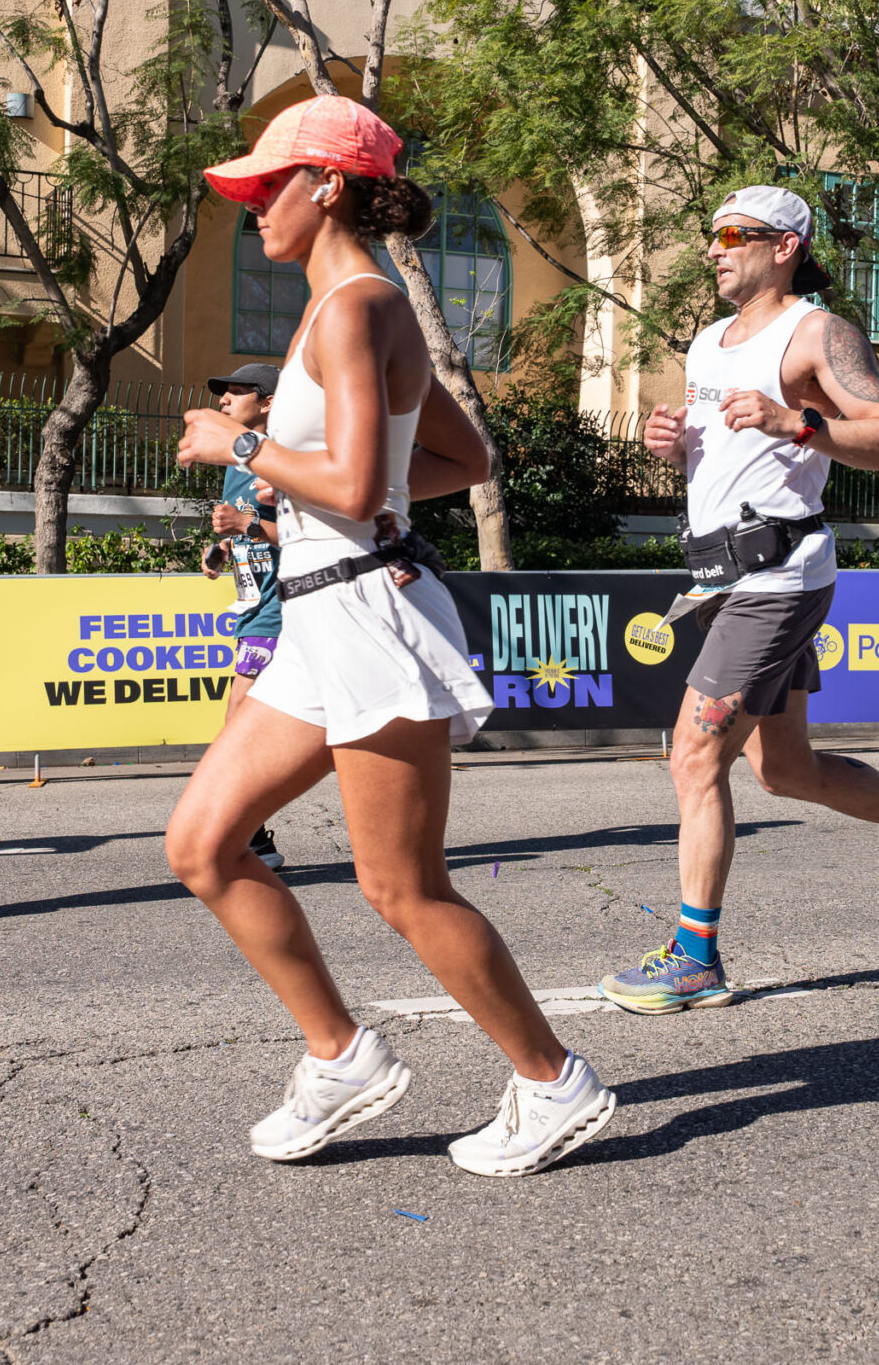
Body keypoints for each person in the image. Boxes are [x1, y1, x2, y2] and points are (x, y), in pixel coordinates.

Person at [167, 95, 617, 1178]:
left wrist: (242, 446)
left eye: (266, 186)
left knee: (402, 888)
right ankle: (341, 1057)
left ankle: (554, 1082)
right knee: (203, 846)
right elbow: (463, 459)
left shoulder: (357, 305)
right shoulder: (347, 309)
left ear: (327, 185)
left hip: (367, 618)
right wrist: (322, 487)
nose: (251, 207)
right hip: (323, 612)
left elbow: (360, 484)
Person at [597, 187, 879, 1017]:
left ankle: (695, 959)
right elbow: (719, 464)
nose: (714, 249)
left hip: (779, 578)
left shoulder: (817, 332)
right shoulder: (707, 341)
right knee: (783, 770)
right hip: (718, 578)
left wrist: (799, 424)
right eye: (711, 236)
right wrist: (674, 447)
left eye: (732, 235)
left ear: (784, 246)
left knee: (694, 757)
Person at [200, 362, 288, 870]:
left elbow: (307, 533)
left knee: (239, 727)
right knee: (249, 731)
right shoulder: (237, 463)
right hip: (254, 611)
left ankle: (248, 839)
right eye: (223, 392)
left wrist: (246, 526)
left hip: (283, 613)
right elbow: (242, 532)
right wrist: (220, 550)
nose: (224, 401)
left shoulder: (285, 456)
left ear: (268, 401)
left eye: (237, 392)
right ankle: (253, 838)